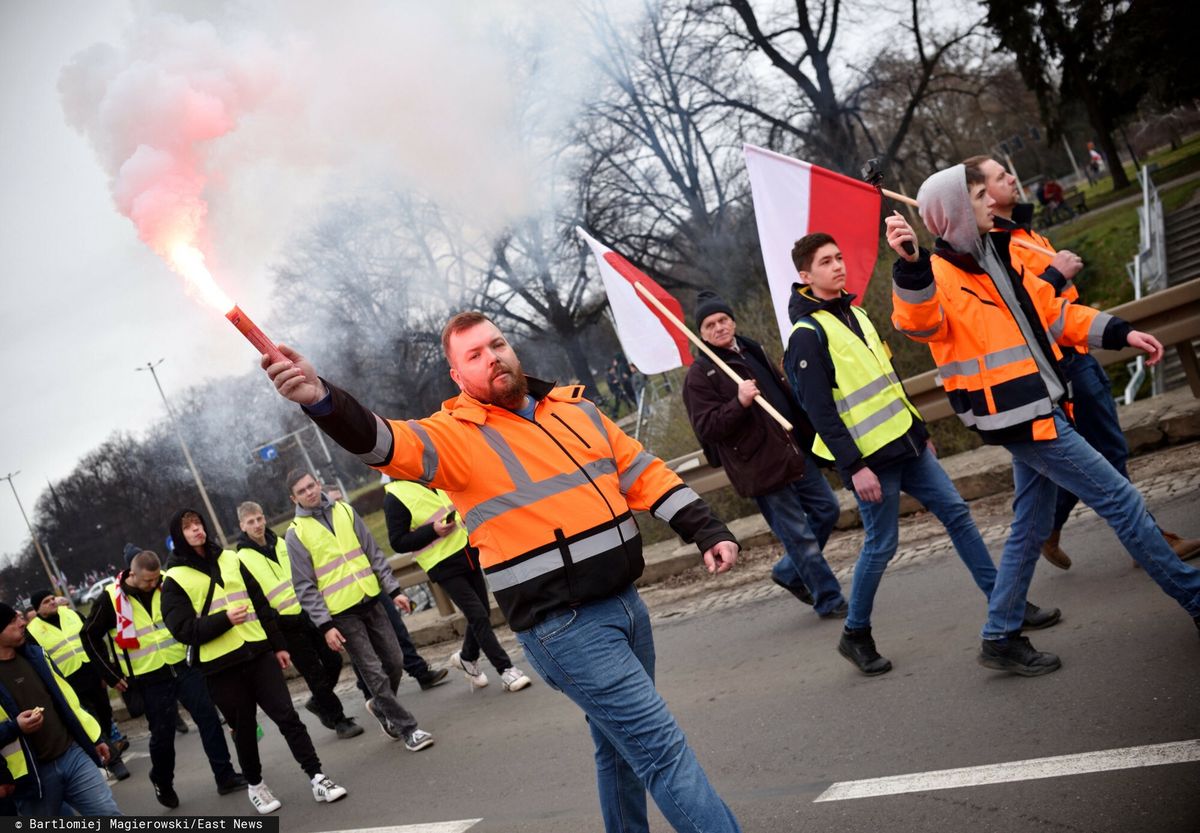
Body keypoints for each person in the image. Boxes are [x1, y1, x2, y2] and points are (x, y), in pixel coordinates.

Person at [264, 311, 744, 833]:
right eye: (473, 354)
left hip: (626, 604)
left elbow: (641, 472)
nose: (491, 356)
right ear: (458, 376)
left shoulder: (575, 408)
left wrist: (706, 528)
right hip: (564, 628)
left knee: (621, 748)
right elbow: (382, 441)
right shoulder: (454, 436)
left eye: (497, 344)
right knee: (661, 750)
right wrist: (322, 399)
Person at [886, 162, 1200, 673]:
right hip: (1020, 416)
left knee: (1030, 526)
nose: (993, 202)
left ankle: (1000, 634)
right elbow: (916, 322)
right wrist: (909, 265)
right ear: (961, 211)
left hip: (1041, 405)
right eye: (981, 197)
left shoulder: (997, 255)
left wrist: (1119, 332)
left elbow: (1054, 313)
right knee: (1121, 499)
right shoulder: (934, 275)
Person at [784, 233, 1061, 675]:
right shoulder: (807, 335)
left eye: (839, 257)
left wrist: (919, 429)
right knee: (882, 545)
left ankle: (1005, 604)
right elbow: (818, 412)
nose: (837, 266)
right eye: (825, 262)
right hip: (872, 460)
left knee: (958, 514)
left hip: (908, 444)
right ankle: (856, 633)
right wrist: (853, 467)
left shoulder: (855, 313)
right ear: (805, 276)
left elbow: (887, 380)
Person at [973, 155, 1200, 569]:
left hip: (1078, 351)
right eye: (1000, 176)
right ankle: (1152, 545)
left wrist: (1116, 330)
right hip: (1060, 367)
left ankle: (1049, 532)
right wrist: (1057, 274)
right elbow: (1021, 314)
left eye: (1008, 169)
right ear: (982, 194)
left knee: (1084, 462)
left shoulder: (1021, 231)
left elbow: (1057, 310)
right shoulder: (993, 249)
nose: (1012, 177)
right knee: (1106, 455)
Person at [161, 509, 348, 814]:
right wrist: (224, 619)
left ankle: (318, 776)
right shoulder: (174, 579)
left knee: (288, 717)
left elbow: (260, 604)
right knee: (245, 729)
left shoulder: (230, 559)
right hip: (221, 667)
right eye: (188, 528)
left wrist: (277, 646)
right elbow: (181, 630)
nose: (197, 530)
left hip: (259, 652)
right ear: (178, 537)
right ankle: (256, 785)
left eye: (198, 524)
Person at [682, 289, 847, 618]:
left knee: (827, 510)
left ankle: (789, 571)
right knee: (798, 536)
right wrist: (738, 403)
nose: (719, 328)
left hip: (794, 451)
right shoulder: (700, 376)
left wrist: (810, 435)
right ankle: (830, 599)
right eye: (710, 325)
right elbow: (707, 429)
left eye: (723, 320)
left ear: (733, 321)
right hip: (759, 466)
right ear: (701, 333)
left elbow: (784, 393)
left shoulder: (751, 349)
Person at [82, 549, 247, 808]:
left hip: (184, 664)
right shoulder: (110, 599)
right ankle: (161, 779)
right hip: (149, 676)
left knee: (208, 718)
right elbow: (89, 636)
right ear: (132, 574)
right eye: (147, 580)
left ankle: (225, 776)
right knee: (163, 734)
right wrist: (111, 674)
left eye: (156, 578)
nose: (153, 584)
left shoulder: (167, 582)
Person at [283, 471, 435, 751]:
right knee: (374, 672)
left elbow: (373, 552)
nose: (310, 493)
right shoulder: (296, 534)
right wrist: (325, 625)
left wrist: (395, 590)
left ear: (318, 483)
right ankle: (408, 729)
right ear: (294, 498)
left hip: (371, 599)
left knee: (395, 659)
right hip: (342, 613)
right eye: (302, 491)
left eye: (311, 486)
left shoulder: (345, 510)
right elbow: (304, 586)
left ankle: (381, 705)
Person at [383, 478, 532, 692]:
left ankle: (467, 657)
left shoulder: (434, 475)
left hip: (467, 551)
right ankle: (506, 670)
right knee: (477, 614)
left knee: (481, 614)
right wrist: (433, 531)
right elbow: (398, 541)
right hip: (442, 563)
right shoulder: (395, 495)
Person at [234, 501, 364, 740]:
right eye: (251, 522)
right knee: (313, 673)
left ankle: (318, 701)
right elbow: (254, 597)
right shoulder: (241, 559)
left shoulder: (283, 543)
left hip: (308, 613)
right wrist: (275, 622)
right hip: (285, 625)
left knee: (333, 660)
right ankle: (338, 720)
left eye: (260, 519)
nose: (257, 525)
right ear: (242, 526)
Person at [0, 602, 122, 816]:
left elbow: (68, 701)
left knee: (108, 814)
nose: (22, 623)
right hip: (33, 777)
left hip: (72, 755)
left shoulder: (35, 655)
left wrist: (94, 739)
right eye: (12, 621)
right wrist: (15, 727)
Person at [25, 590, 129, 781]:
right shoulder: (32, 631)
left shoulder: (72, 613)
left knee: (105, 713)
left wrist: (104, 671)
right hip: (68, 681)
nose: (52, 602)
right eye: (46, 602)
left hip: (92, 673)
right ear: (37, 608)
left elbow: (92, 640)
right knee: (91, 718)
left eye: (52, 599)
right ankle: (115, 762)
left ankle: (107, 747)